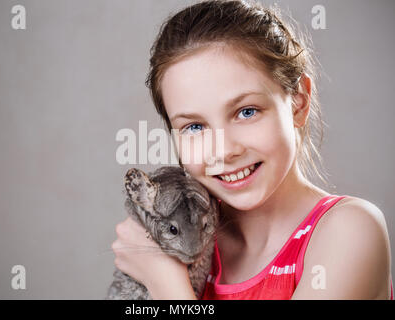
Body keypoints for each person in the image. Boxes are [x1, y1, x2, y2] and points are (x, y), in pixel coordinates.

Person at [111, 0, 393, 299]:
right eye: (195, 126)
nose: (224, 151)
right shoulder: (180, 233)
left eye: (247, 111)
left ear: (299, 102)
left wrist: (164, 280)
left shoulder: (349, 231)